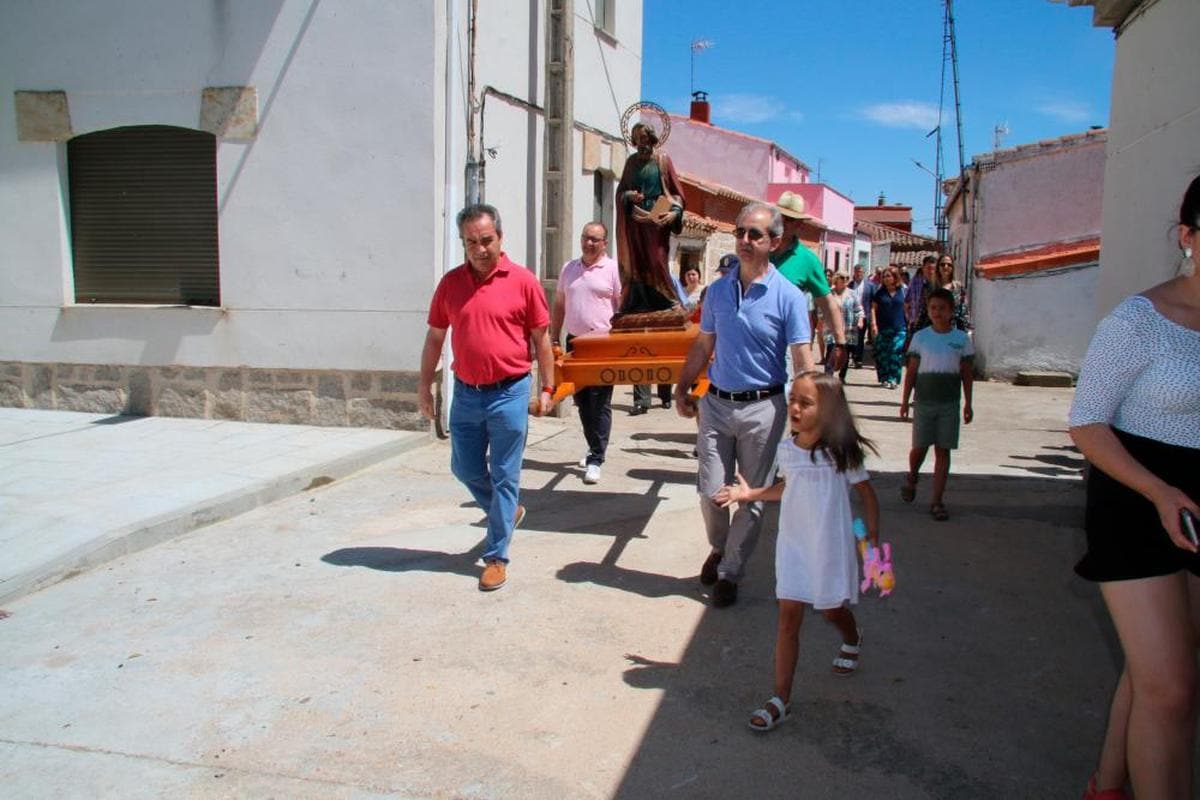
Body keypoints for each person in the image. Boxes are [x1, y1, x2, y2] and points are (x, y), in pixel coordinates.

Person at [1070, 175, 1200, 800]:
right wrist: (1160, 493)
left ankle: (1108, 786)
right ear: (1188, 237)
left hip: (1196, 504)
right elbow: (1087, 423)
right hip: (1137, 496)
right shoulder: (1141, 320)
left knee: (1159, 674)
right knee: (1172, 692)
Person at [713, 371, 881, 732]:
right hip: (794, 546)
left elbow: (866, 496)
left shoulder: (841, 454)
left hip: (829, 547)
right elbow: (787, 488)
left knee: (832, 609)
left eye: (806, 403)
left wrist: (868, 542)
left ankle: (852, 638)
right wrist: (749, 495)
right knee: (788, 619)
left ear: (829, 410)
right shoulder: (787, 449)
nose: (795, 408)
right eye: (793, 400)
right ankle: (780, 700)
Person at [673, 202, 813, 608]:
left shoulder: (789, 297)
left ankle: (731, 573)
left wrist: (808, 415)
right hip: (715, 404)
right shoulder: (717, 291)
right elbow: (704, 344)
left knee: (751, 496)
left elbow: (802, 358)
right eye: (740, 233)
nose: (745, 241)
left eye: (755, 234)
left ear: (775, 241)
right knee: (711, 490)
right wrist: (684, 386)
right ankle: (719, 548)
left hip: (763, 409)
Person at [418, 204, 554, 592]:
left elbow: (542, 339)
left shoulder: (523, 281)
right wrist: (424, 385)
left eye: (486, 240)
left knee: (505, 475)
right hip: (466, 394)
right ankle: (508, 511)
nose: (479, 249)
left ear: (500, 238)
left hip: (510, 392)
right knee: (464, 468)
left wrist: (547, 387)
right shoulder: (450, 284)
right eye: (471, 242)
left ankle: (496, 556)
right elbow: (434, 338)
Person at [551, 222, 622, 485]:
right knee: (581, 400)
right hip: (575, 343)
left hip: (603, 346)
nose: (589, 243)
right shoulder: (569, 269)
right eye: (585, 238)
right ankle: (594, 446)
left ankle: (596, 458)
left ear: (604, 243)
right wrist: (553, 335)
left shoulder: (613, 269)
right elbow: (559, 305)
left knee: (600, 400)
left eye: (595, 239)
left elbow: (621, 307)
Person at [898, 288, 975, 521]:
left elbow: (967, 373)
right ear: (928, 310)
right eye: (933, 308)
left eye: (942, 308)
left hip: (949, 404)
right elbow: (911, 371)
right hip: (924, 402)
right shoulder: (921, 338)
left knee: (943, 451)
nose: (937, 312)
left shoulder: (961, 340)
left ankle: (937, 501)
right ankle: (912, 475)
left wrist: (968, 403)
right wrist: (905, 400)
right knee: (919, 448)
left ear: (951, 311)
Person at [615, 122, 685, 313]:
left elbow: (676, 194)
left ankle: (668, 299)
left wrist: (674, 213)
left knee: (656, 259)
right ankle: (638, 302)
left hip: (657, 219)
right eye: (637, 139)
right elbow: (621, 191)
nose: (640, 143)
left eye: (644, 138)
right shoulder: (631, 163)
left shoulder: (663, 160)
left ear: (652, 139)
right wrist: (629, 196)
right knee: (637, 261)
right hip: (635, 221)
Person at [771, 201, 847, 371]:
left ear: (798, 224)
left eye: (789, 219)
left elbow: (827, 304)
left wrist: (840, 344)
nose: (782, 222)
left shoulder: (807, 259)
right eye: (779, 217)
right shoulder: (759, 248)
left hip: (785, 342)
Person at [870, 266, 907, 388]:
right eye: (884, 276)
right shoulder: (880, 293)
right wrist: (874, 324)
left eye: (888, 276)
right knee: (883, 354)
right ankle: (884, 378)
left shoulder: (903, 290)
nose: (886, 279)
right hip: (883, 327)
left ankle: (893, 378)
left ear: (895, 277)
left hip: (899, 327)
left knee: (895, 351)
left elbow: (908, 307)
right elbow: (873, 309)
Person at [823, 273, 863, 382]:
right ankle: (828, 376)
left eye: (847, 278)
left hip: (848, 328)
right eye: (843, 278)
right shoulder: (829, 293)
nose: (845, 280)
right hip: (832, 327)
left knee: (846, 352)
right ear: (837, 279)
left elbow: (858, 309)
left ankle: (842, 376)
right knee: (831, 350)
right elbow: (823, 308)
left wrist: (860, 320)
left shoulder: (852, 294)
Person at [904, 255, 937, 348]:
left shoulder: (939, 285)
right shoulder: (915, 282)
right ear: (923, 268)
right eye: (928, 268)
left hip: (934, 324)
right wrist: (909, 318)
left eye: (933, 268)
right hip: (917, 323)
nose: (931, 271)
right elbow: (907, 301)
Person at [935, 254, 970, 331]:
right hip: (935, 332)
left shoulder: (958, 288)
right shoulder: (932, 288)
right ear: (938, 267)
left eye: (949, 265)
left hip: (954, 331)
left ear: (952, 268)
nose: (946, 267)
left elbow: (964, 312)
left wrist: (967, 331)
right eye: (942, 264)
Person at [849, 264, 871, 368]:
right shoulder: (850, 285)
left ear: (863, 273)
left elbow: (872, 301)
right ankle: (853, 356)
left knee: (861, 337)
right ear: (854, 272)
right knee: (852, 337)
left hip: (864, 315)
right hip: (851, 315)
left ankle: (859, 359)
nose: (859, 274)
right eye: (857, 271)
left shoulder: (869, 286)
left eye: (861, 272)